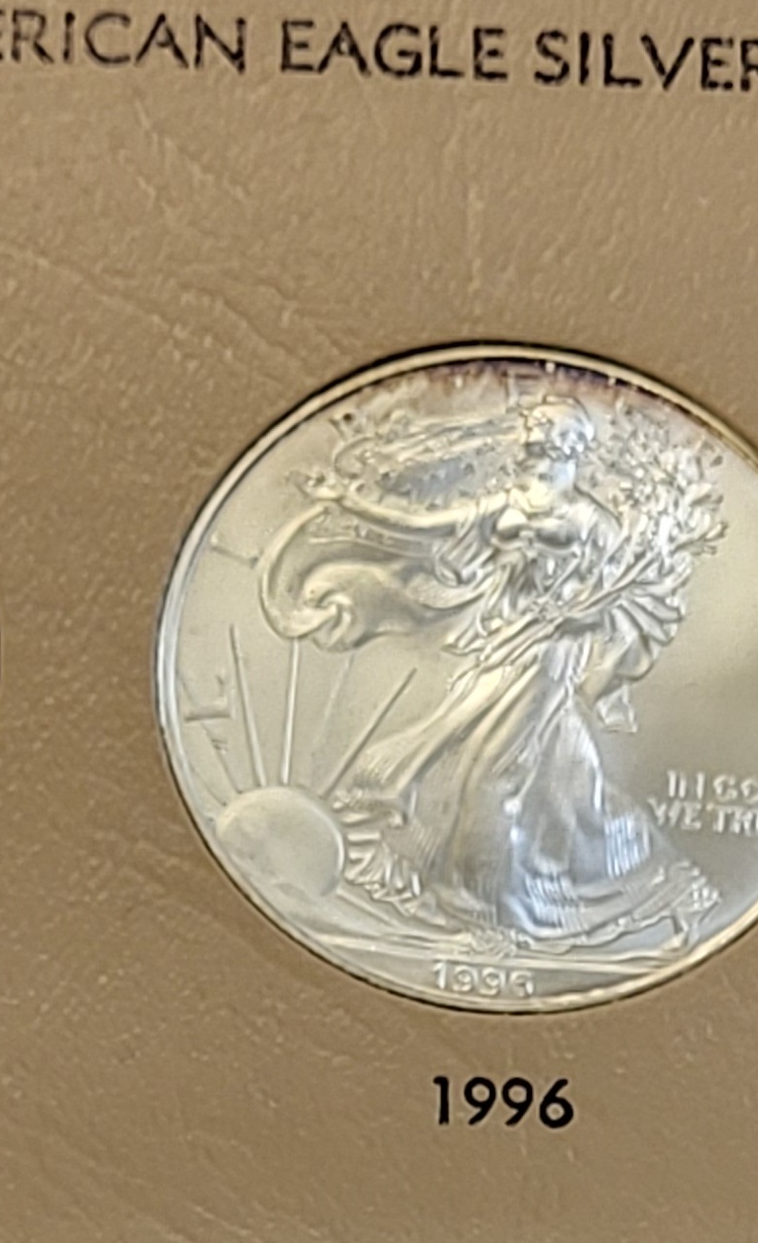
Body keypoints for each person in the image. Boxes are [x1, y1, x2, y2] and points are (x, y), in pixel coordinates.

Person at [259, 386, 721, 953]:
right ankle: (664, 890)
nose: (539, 445)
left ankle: (494, 918)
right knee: (557, 788)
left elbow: (627, 598)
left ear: (575, 446)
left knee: (488, 777)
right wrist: (349, 501)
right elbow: (423, 525)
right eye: (536, 434)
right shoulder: (505, 503)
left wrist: (578, 618)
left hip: (547, 655)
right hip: (498, 642)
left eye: (553, 436)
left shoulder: (592, 519)